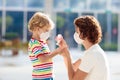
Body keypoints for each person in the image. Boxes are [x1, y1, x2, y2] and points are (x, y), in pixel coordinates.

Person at [59, 15, 110, 80]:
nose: (75, 34)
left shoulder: (92, 54)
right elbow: (73, 67)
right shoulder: (93, 50)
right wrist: (65, 54)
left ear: (85, 34)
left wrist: (68, 56)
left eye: (77, 32)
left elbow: (73, 79)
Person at [28, 12, 64, 80]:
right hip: (41, 78)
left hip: (48, 77)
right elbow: (42, 59)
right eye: (46, 30)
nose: (48, 33)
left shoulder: (42, 42)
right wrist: (56, 52)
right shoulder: (34, 43)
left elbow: (47, 57)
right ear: (37, 28)